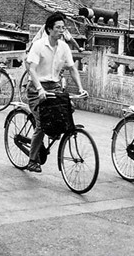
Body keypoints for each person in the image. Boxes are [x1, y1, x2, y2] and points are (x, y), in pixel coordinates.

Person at [25, 13, 88, 173]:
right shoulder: (39, 45)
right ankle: (32, 160)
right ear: (49, 29)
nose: (61, 31)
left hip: (55, 87)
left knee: (68, 109)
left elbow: (72, 68)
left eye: (63, 27)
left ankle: (53, 132)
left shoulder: (64, 47)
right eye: (58, 28)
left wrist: (80, 88)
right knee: (42, 124)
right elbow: (31, 69)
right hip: (36, 88)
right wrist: (39, 89)